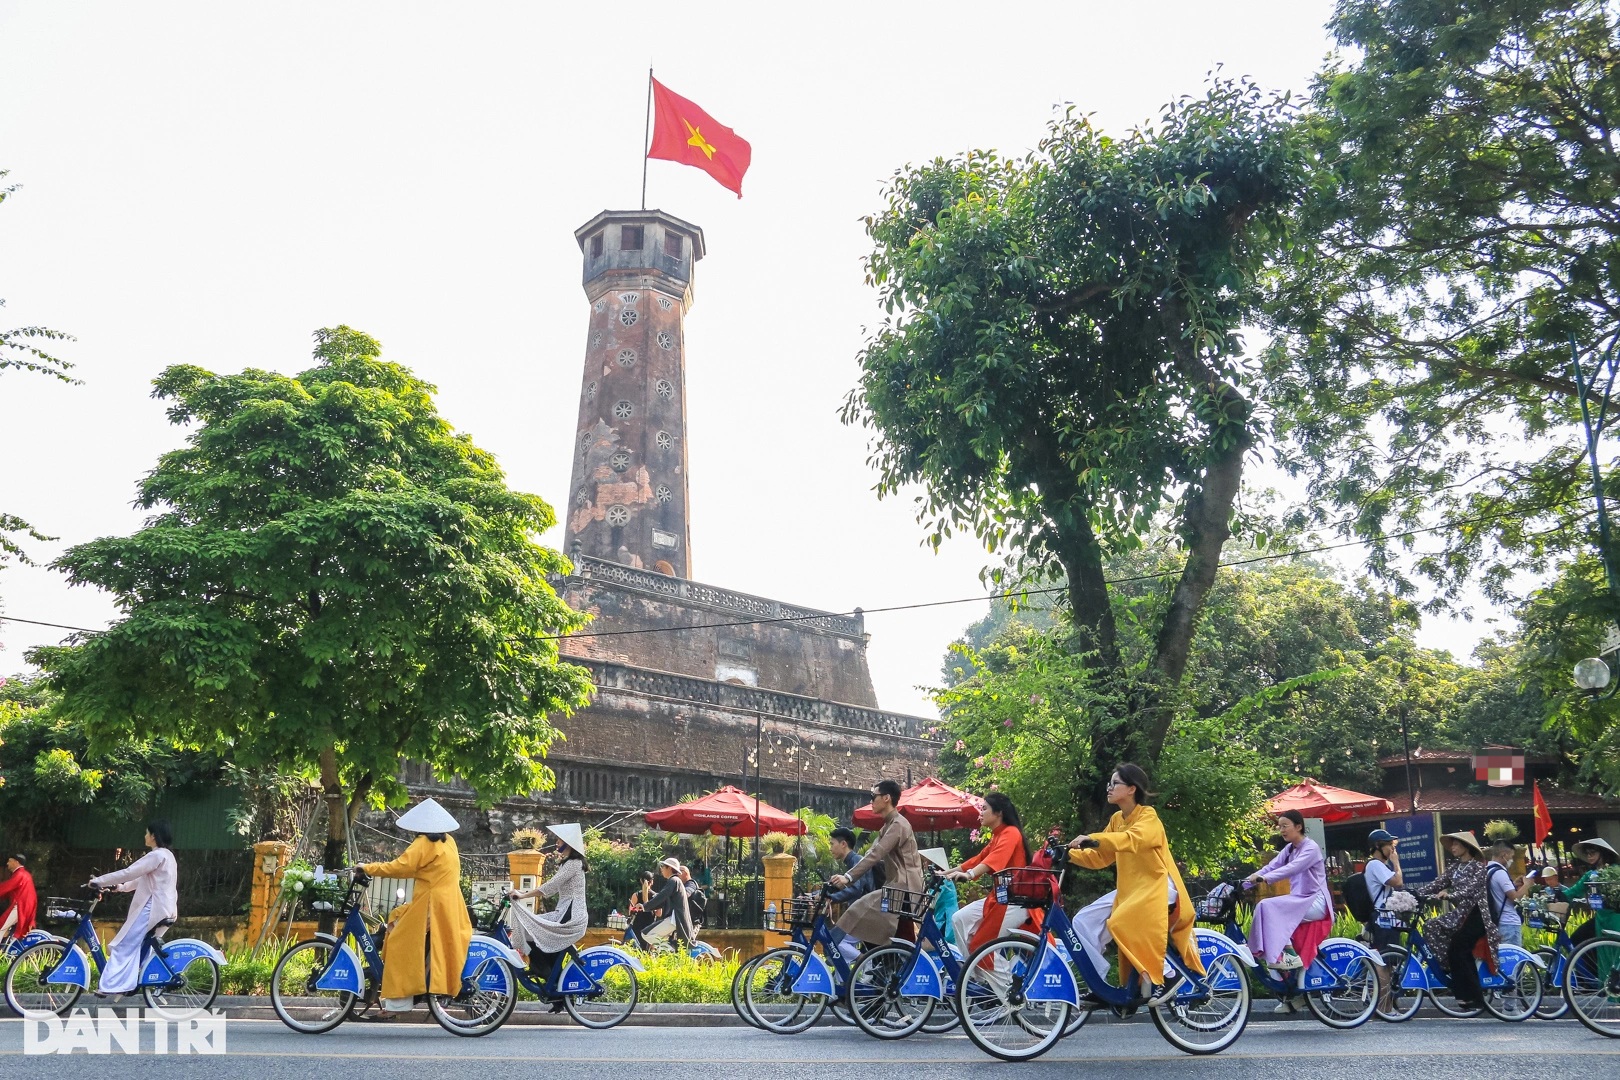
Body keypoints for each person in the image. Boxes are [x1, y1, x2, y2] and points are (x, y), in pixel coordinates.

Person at [1068, 763, 1203, 1006]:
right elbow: (1101, 856)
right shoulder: (1117, 819)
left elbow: (1132, 839)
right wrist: (1067, 854)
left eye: (1114, 783)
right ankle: (1099, 984)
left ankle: (1167, 976)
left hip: (1158, 886)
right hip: (1131, 890)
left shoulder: (1148, 816)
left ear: (1131, 789)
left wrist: (1093, 838)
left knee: (1122, 921)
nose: (1108, 787)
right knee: (1083, 921)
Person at [360, 797, 474, 1012]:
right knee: (395, 917)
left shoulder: (424, 843)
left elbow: (400, 867)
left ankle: (401, 997)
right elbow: (415, 868)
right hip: (448, 902)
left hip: (431, 903)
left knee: (397, 939)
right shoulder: (448, 841)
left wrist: (367, 867)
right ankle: (412, 984)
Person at [1243, 809, 1334, 1013]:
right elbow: (1271, 866)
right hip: (1297, 900)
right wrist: (1244, 884)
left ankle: (1290, 954)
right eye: (1280, 826)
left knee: (1267, 906)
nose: (1281, 830)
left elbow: (1292, 869)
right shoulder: (1290, 849)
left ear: (1298, 826)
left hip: (1314, 901)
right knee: (1270, 942)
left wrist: (1265, 879)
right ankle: (1290, 994)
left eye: (1285, 825)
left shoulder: (1310, 848)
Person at [829, 779, 922, 964]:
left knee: (862, 908)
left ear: (886, 798)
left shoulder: (898, 825)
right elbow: (871, 854)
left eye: (874, 796)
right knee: (900, 937)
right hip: (895, 888)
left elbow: (876, 854)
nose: (871, 801)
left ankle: (875, 964)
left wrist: (848, 877)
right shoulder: (886, 826)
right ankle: (883, 969)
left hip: (905, 889)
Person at [86, 821, 178, 997]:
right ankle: (138, 980)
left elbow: (129, 872)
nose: (144, 836)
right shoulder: (168, 856)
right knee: (142, 948)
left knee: (123, 945)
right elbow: (142, 880)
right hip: (166, 908)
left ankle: (111, 986)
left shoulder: (156, 855)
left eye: (146, 833)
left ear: (153, 836)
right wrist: (119, 887)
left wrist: (100, 880)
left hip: (153, 909)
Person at [506, 824, 588, 1012]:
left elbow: (550, 887)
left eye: (559, 840)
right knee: (533, 932)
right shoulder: (569, 863)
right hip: (563, 912)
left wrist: (522, 894)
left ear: (568, 844)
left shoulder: (574, 864)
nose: (557, 842)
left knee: (531, 929)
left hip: (570, 916)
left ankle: (543, 970)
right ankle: (554, 986)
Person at [946, 792, 1038, 957]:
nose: (981, 813)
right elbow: (977, 860)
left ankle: (1001, 982)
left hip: (1014, 901)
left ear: (999, 812)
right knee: (959, 920)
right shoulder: (997, 836)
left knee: (983, 946)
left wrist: (969, 875)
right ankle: (974, 976)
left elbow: (994, 860)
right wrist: (944, 873)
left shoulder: (1011, 833)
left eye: (984, 808)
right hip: (1000, 898)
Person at [1415, 831, 1499, 1011]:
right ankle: (1447, 967)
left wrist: (1450, 895)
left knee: (1459, 949)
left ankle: (1475, 997)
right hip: (1461, 914)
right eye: (1451, 845)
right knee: (1431, 926)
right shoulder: (1454, 868)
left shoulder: (1478, 867)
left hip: (1478, 915)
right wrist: (1414, 893)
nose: (1452, 848)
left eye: (1456, 844)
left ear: (1466, 847)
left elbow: (1471, 890)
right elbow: (1436, 884)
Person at [1527, 836, 1619, 950]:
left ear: (1603, 853)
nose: (1589, 856)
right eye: (1587, 853)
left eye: (1593, 853)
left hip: (1616, 917)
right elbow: (1573, 891)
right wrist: (1554, 897)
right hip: (1600, 918)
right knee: (1577, 939)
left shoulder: (1615, 870)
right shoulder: (1590, 874)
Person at [1363, 829, 1405, 950]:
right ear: (1378, 846)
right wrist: (1396, 863)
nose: (1392, 848)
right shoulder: (1375, 865)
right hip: (1383, 917)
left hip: (1385, 916)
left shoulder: (1379, 866)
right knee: (1384, 958)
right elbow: (1398, 882)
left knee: (1389, 959)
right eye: (1389, 845)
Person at [1484, 839, 1530, 948]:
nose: (1511, 860)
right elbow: (1514, 897)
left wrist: (1513, 884)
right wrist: (1527, 885)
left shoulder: (1488, 870)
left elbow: (1498, 892)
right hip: (1509, 923)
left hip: (1497, 921)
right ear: (1504, 855)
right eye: (1511, 856)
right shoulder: (1500, 873)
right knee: (1513, 962)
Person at [642, 856, 693, 947]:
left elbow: (661, 897)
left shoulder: (673, 881)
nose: (661, 869)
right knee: (654, 936)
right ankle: (670, 950)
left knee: (646, 934)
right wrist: (646, 907)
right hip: (674, 919)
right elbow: (662, 901)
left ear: (669, 868)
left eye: (663, 866)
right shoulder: (675, 881)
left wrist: (644, 906)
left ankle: (670, 950)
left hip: (674, 919)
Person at [0, 854, 37, 943]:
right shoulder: (24, 874)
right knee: (8, 928)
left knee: (1, 926)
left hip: (21, 906)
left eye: (10, 861)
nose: (7, 863)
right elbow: (9, 891)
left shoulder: (20, 874)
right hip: (26, 906)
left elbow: (6, 887)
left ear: (16, 862)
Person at [627, 870, 657, 943]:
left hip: (637, 926)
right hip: (650, 926)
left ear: (641, 881)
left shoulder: (636, 895)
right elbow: (659, 913)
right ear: (652, 881)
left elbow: (630, 912)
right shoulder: (656, 896)